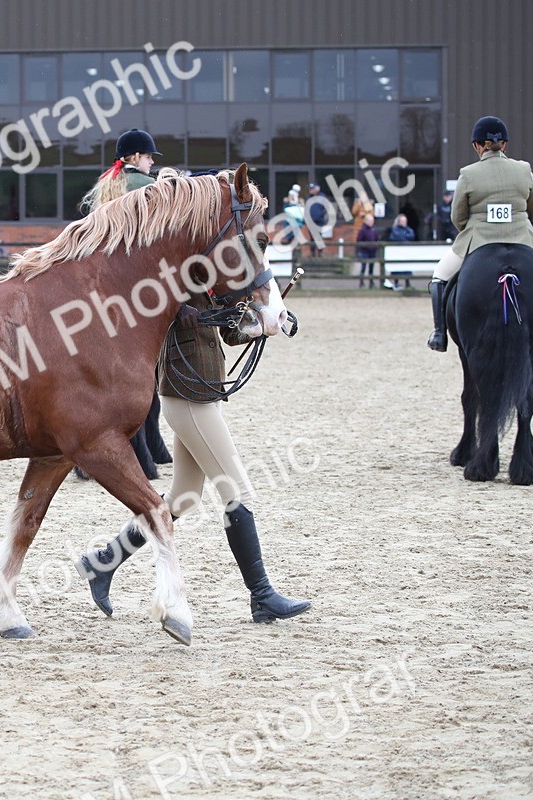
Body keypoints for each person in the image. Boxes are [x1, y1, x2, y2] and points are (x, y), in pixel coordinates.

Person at [75, 196, 310, 624]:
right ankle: (261, 595)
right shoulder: (171, 275)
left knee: (182, 496)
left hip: (200, 390)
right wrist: (193, 317)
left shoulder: (209, 272)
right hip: (186, 395)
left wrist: (268, 320)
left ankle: (103, 562)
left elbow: (230, 327)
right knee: (237, 491)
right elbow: (159, 319)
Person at [79, 128, 170, 479]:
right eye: (148, 157)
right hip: (138, 289)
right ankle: (143, 454)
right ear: (134, 158)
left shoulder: (107, 186)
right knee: (142, 374)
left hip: (105, 287)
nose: (151, 162)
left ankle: (153, 449)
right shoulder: (144, 186)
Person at [426, 116, 533, 351]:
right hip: (522, 236)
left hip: (478, 237)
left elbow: (457, 216)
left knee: (440, 276)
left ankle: (439, 334)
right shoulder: (524, 169)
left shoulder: (468, 174)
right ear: (505, 144)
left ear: (477, 145)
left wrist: (470, 229)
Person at [383, 213, 416, 290]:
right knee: (396, 268)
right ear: (399, 222)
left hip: (406, 252)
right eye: (402, 221)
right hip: (397, 252)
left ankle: (407, 283)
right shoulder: (395, 229)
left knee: (407, 268)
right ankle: (396, 283)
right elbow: (397, 237)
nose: (404, 223)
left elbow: (411, 236)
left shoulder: (408, 229)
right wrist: (404, 238)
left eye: (405, 221)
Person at [305, 182, 330, 255]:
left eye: (312, 189)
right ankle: (312, 253)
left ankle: (320, 253)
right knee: (312, 237)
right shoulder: (309, 197)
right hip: (311, 221)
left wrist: (321, 215)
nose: (311, 190)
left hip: (319, 221)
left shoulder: (322, 197)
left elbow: (326, 207)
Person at [356, 213, 380, 288]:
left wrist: (376, 246)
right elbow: (359, 240)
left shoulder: (374, 230)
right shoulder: (362, 230)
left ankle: (371, 282)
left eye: (372, 221)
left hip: (372, 251)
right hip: (364, 251)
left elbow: (376, 239)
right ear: (366, 221)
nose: (371, 222)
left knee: (371, 268)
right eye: (370, 221)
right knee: (363, 267)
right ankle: (361, 282)